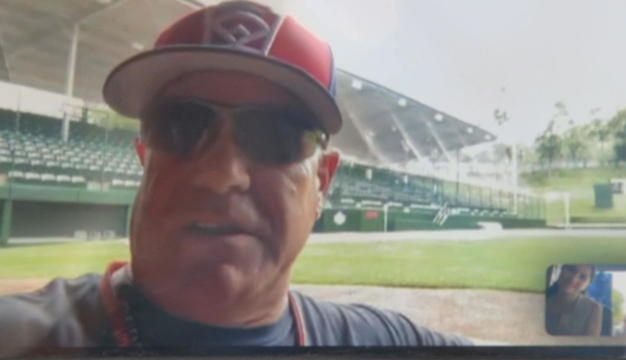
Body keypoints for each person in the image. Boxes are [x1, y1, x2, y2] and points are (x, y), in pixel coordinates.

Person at [0, 1, 470, 355]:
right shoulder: (18, 336)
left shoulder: (384, 343)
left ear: (322, 182)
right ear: (146, 158)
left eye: (275, 134)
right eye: (182, 127)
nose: (221, 174)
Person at [545, 264, 603, 336]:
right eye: (571, 270)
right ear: (561, 270)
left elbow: (590, 345)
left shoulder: (594, 308)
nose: (573, 279)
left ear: (587, 284)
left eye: (582, 277)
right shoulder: (541, 302)